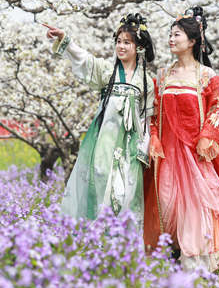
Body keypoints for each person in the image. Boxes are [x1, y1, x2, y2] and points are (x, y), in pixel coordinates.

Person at [144, 6, 219, 271]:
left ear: (193, 41)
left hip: (196, 153)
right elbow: (153, 113)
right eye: (170, 35)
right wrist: (153, 138)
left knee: (197, 204)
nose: (172, 40)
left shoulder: (205, 77)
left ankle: (195, 261)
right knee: (168, 201)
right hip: (168, 154)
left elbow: (216, 109)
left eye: (178, 35)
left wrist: (207, 137)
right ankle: (171, 253)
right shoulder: (162, 76)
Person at [44, 14, 155, 223]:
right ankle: (98, 234)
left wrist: (144, 147)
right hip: (104, 138)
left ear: (139, 47)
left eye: (127, 43)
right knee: (100, 177)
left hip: (130, 143)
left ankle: (121, 239)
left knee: (126, 188)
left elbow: (145, 119)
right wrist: (66, 39)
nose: (121, 47)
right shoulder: (107, 71)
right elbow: (85, 60)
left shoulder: (146, 82)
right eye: (119, 42)